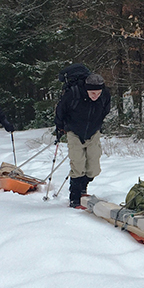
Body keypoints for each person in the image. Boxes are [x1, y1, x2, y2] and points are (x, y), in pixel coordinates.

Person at [54, 72, 111, 207]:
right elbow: (60, 111)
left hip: (93, 132)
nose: (95, 96)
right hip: (74, 132)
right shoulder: (73, 95)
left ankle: (83, 187)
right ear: (86, 90)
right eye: (92, 93)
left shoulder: (105, 95)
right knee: (78, 165)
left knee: (94, 168)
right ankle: (75, 197)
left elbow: (105, 111)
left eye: (98, 93)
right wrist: (60, 127)